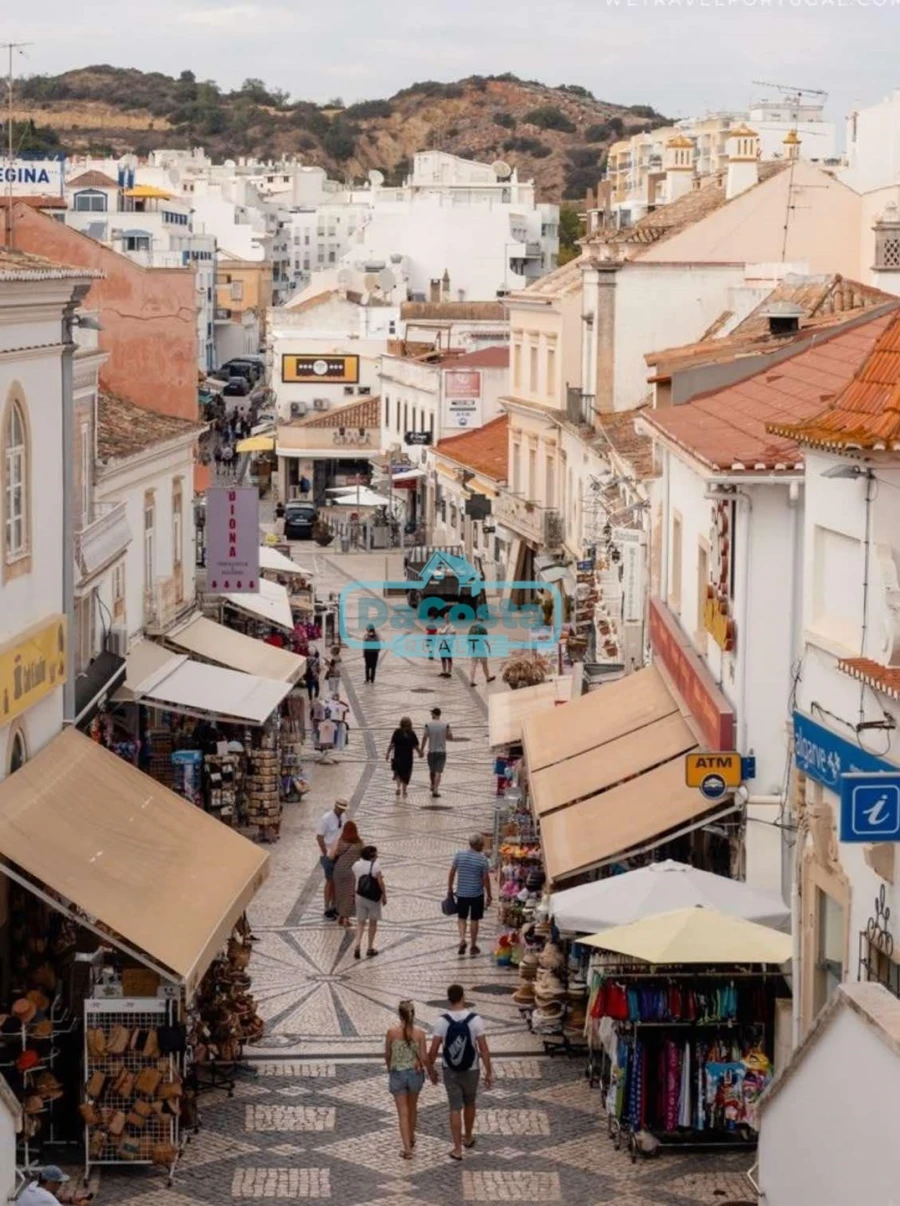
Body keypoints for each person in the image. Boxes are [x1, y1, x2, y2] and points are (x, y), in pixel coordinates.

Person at [427, 984, 493, 1162]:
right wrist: (489, 1071)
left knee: (455, 1107)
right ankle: (468, 1137)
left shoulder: (442, 1022)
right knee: (470, 1103)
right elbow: (484, 1049)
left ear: (448, 999)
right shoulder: (475, 1020)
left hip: (450, 1070)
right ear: (463, 997)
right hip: (472, 1069)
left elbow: (433, 1050)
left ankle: (457, 1149)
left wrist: (431, 1071)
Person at [385, 999, 427, 1159]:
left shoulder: (391, 1033)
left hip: (398, 1074)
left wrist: (389, 1067)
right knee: (413, 1108)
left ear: (400, 1014)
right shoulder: (420, 1034)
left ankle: (407, 1149)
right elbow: (423, 1057)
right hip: (415, 1074)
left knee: (403, 1112)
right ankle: (411, 1136)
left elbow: (388, 1054)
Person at [448, 835, 492, 956]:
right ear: (478, 845)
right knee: (474, 919)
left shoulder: (459, 855)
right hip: (477, 894)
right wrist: (489, 895)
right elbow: (485, 879)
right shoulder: (482, 860)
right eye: (482, 844)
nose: (483, 846)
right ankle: (473, 945)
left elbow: (452, 872)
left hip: (462, 893)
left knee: (461, 917)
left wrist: (450, 888)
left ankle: (462, 939)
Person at [316, 798, 348, 919]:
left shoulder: (343, 817)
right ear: (336, 807)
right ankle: (326, 907)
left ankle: (334, 906)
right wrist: (325, 852)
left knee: (337, 881)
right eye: (340, 809)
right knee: (330, 880)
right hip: (329, 854)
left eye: (343, 809)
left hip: (339, 853)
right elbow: (319, 837)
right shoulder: (326, 819)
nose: (342, 811)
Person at [354, 843, 386, 959]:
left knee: (360, 922)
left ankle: (357, 945)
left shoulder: (356, 864)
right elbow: (380, 882)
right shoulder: (376, 865)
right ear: (372, 856)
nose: (377, 856)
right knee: (373, 922)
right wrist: (384, 895)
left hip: (360, 895)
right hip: (373, 897)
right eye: (376, 855)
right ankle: (370, 947)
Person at [329, 820, 363, 928]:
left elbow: (331, 856)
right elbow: (364, 857)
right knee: (349, 895)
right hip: (351, 872)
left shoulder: (339, 841)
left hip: (339, 870)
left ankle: (341, 915)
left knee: (340, 894)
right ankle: (345, 919)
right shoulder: (359, 843)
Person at [421, 706, 452, 799]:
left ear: (434, 714)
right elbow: (450, 737)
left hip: (431, 751)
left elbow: (425, 737)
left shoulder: (428, 725)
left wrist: (421, 749)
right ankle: (435, 789)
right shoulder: (445, 725)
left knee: (432, 770)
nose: (431, 714)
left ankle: (432, 785)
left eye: (432, 713)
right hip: (441, 752)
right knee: (438, 772)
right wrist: (445, 735)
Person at [386, 716, 420, 800]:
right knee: (406, 774)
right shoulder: (412, 733)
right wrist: (420, 752)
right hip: (408, 758)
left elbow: (392, 744)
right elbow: (415, 745)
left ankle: (398, 787)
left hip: (398, 756)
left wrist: (387, 753)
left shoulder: (397, 732)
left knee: (398, 772)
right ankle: (404, 791)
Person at [467, 620, 495, 687]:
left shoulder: (471, 628)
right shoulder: (483, 629)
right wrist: (488, 647)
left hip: (473, 649)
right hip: (481, 649)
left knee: (473, 665)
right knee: (484, 664)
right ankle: (487, 678)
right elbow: (485, 639)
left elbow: (468, 639)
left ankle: (472, 681)